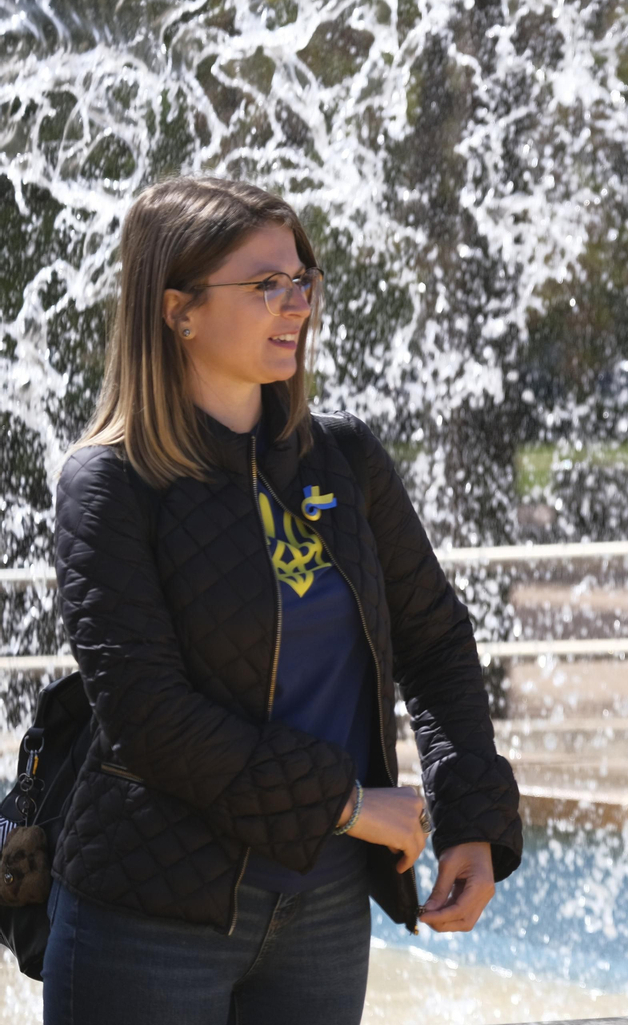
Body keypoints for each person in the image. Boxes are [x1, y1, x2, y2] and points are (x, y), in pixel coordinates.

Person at [47, 177, 524, 1023]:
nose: (296, 304)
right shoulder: (109, 482)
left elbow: (435, 642)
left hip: (324, 911)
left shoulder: (343, 457)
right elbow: (147, 715)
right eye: (265, 284)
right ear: (177, 310)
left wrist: (471, 817)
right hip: (153, 915)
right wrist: (348, 806)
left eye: (302, 279)